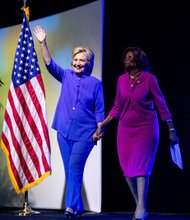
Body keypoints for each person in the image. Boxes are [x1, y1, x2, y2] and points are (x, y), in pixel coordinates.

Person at [93, 47, 178, 220]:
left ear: (139, 60)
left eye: (130, 57)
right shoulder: (120, 80)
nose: (126, 59)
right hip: (125, 131)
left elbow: (161, 105)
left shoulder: (150, 79)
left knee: (141, 168)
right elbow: (116, 107)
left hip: (146, 129)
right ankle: (139, 203)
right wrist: (102, 125)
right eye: (125, 57)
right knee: (127, 170)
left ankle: (141, 207)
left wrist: (171, 129)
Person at [33, 26, 105, 218]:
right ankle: (79, 206)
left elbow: (99, 109)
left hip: (86, 134)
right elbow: (49, 64)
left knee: (74, 168)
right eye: (76, 59)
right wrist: (43, 43)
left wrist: (99, 128)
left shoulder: (95, 84)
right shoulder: (65, 75)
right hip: (63, 131)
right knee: (71, 170)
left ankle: (70, 207)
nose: (78, 63)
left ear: (89, 63)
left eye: (82, 60)